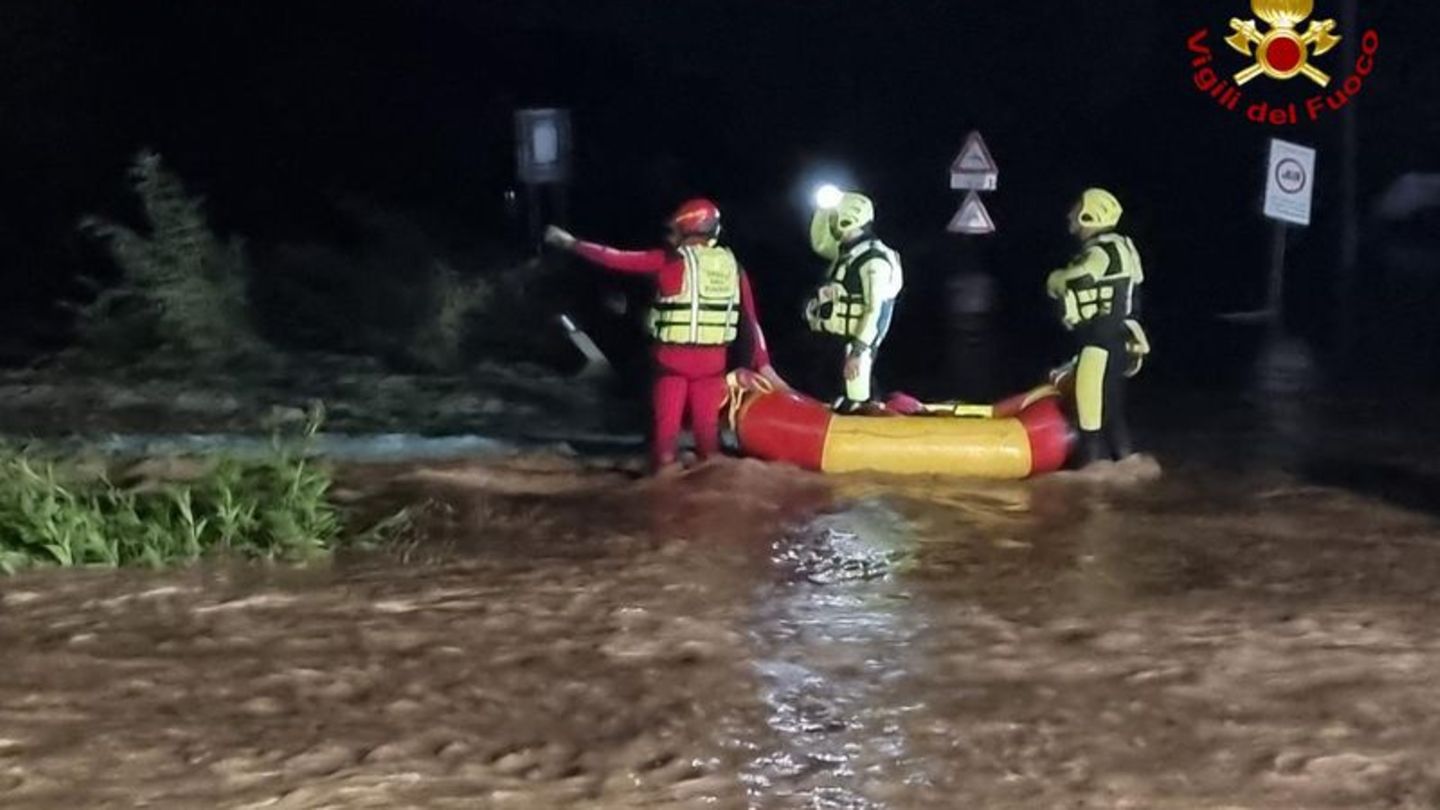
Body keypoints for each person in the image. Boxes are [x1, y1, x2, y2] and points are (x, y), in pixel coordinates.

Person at [544, 199, 788, 473]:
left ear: (684, 230)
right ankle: (714, 488)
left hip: (672, 363)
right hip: (712, 365)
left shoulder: (669, 260)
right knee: (708, 439)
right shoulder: (734, 266)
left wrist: (571, 243)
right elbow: (750, 321)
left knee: (665, 440)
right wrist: (763, 365)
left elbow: (614, 258)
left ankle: (664, 486)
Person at [1045, 187, 1149, 466]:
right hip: (1117, 342)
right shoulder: (1124, 247)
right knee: (1113, 413)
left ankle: (1091, 480)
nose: (1071, 216)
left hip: (1099, 344)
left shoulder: (1103, 252)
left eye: (1077, 210)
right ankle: (1126, 467)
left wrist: (1055, 279)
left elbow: (1078, 279)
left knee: (1089, 417)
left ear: (1091, 215)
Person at [803, 190, 904, 414]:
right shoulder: (848, 252)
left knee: (856, 401)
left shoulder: (874, 259)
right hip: (835, 343)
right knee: (835, 398)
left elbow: (874, 309)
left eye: (833, 216)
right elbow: (819, 243)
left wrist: (858, 351)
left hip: (856, 345)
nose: (831, 221)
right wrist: (822, 210)